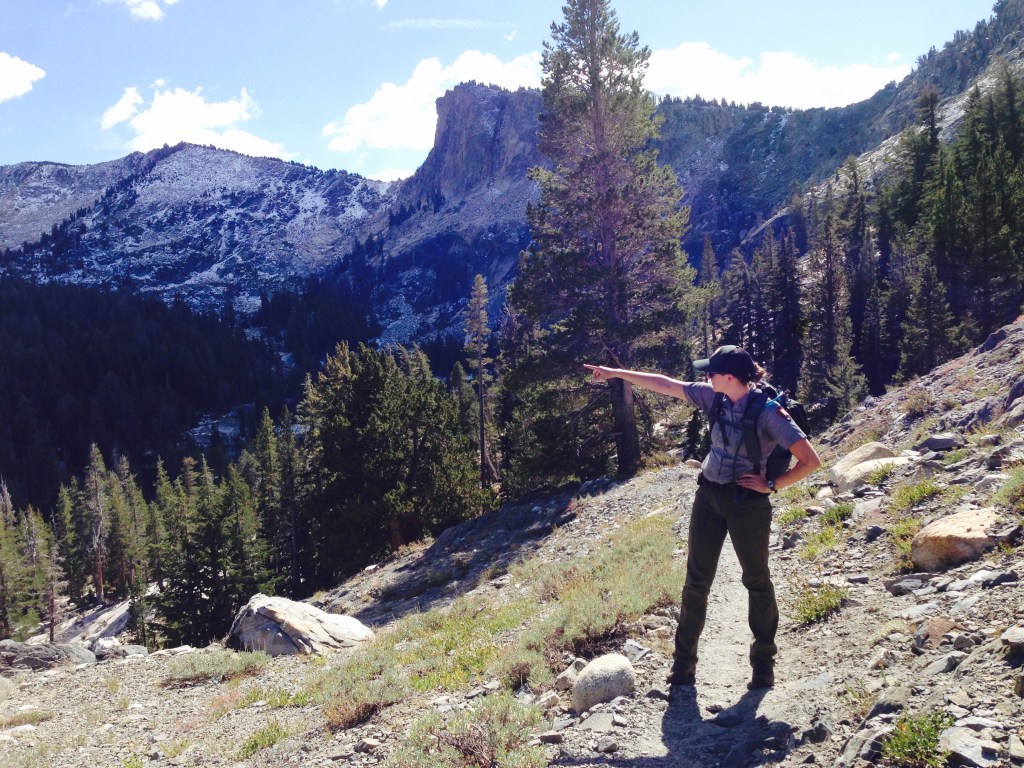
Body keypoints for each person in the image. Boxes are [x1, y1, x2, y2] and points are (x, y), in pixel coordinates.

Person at [584, 345, 821, 689]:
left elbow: (810, 460)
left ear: (729, 377)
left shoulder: (769, 413)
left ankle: (763, 664)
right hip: (709, 495)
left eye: (711, 372)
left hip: (748, 503)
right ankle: (683, 666)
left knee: (756, 580)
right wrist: (617, 374)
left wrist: (771, 485)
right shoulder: (715, 397)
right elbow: (664, 384)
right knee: (696, 581)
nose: (705, 377)